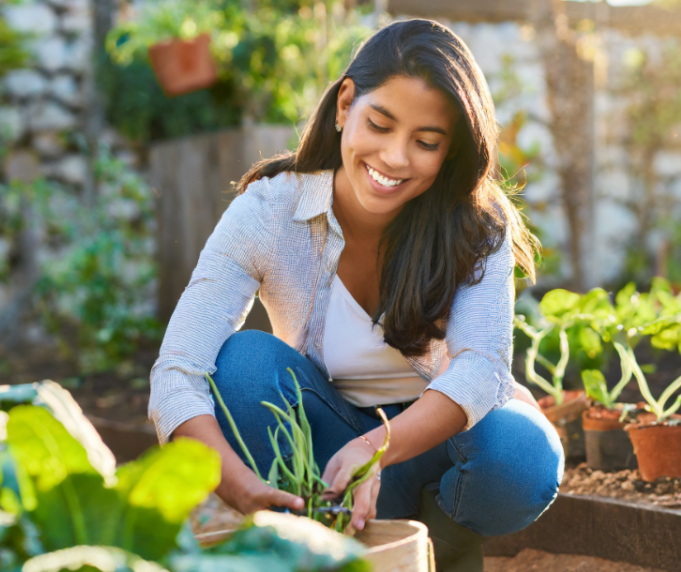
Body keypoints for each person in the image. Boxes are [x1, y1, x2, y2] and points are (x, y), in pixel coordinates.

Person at [149, 19, 563, 571]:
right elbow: (177, 371)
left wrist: (376, 449)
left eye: (426, 142)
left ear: (450, 152)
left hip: (447, 460)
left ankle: (443, 546)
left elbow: (482, 369)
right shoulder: (271, 212)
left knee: (520, 453)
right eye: (380, 124)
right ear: (345, 104)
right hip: (328, 456)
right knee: (244, 364)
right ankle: (323, 536)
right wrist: (237, 485)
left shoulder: (476, 226)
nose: (394, 157)